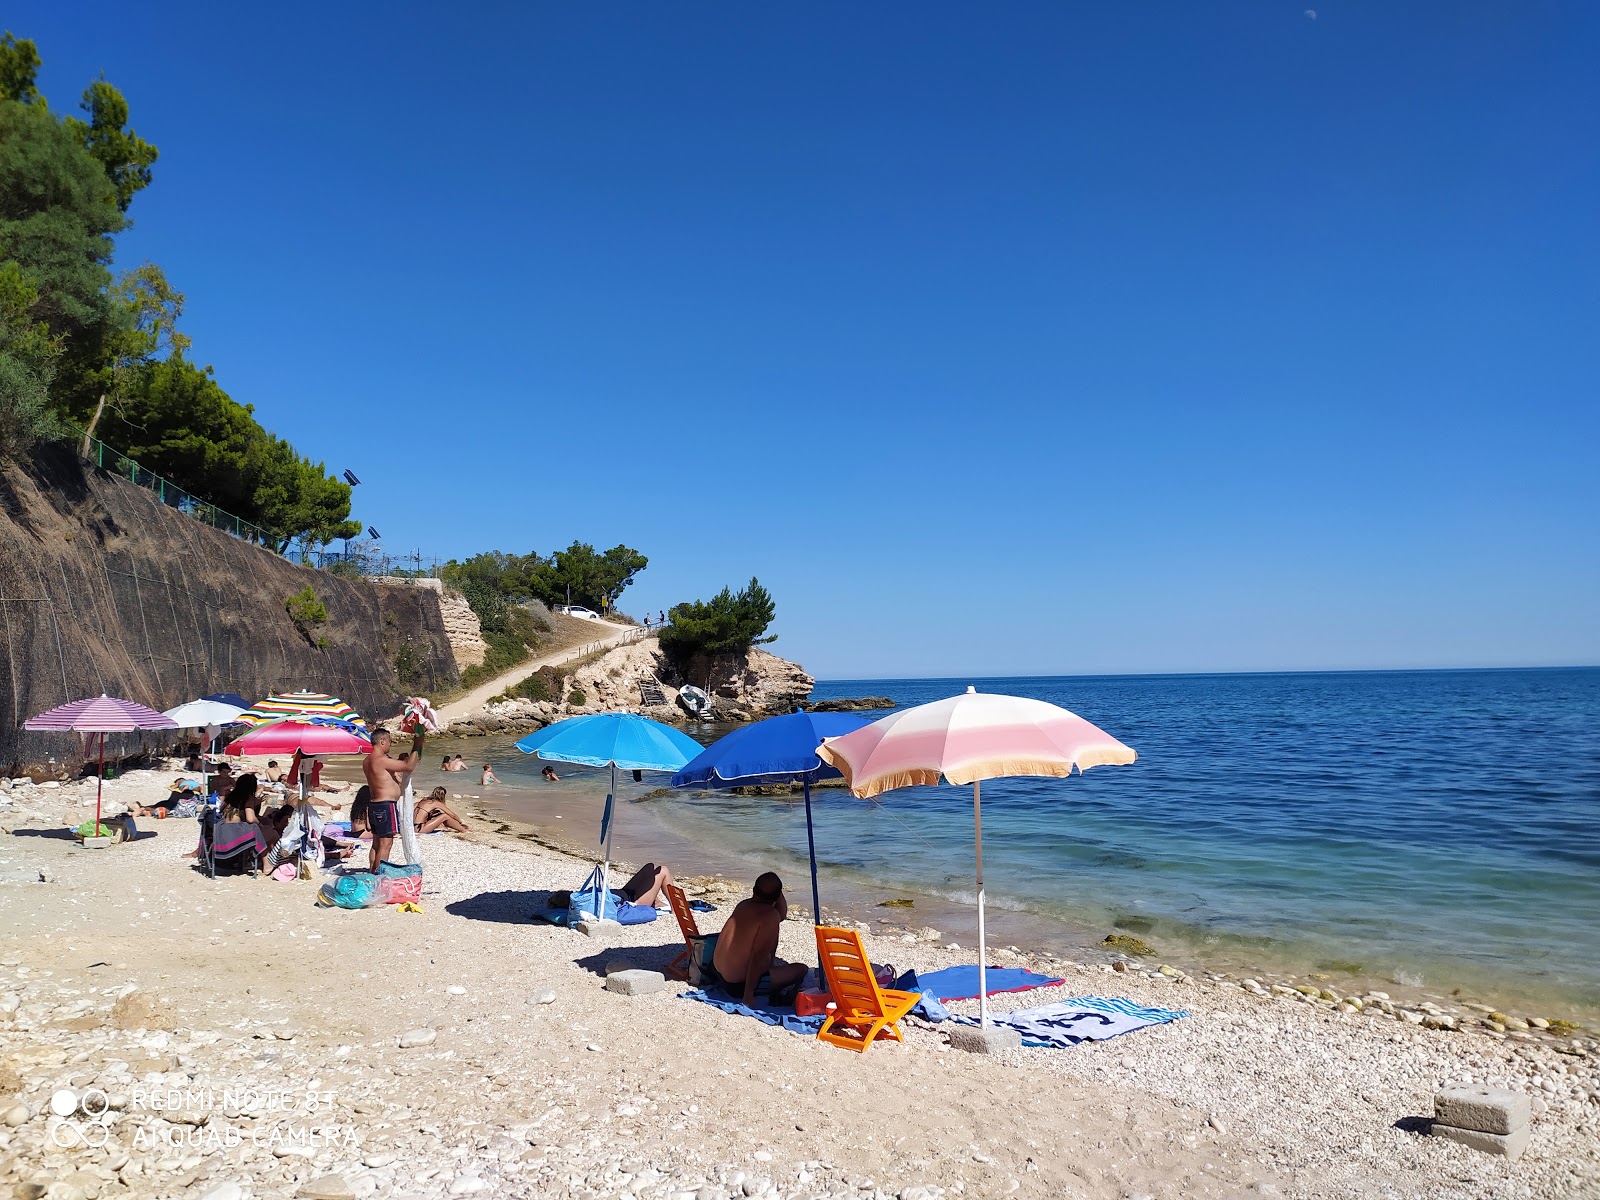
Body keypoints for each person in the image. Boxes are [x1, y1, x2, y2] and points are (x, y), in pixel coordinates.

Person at [711, 872, 807, 1007]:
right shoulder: (769, 916)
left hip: (717, 974)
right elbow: (758, 956)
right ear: (778, 896)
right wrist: (748, 995)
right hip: (736, 986)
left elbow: (781, 915)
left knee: (770, 938)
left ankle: (771, 971)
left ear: (754, 890)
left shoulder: (743, 905)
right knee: (801, 970)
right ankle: (766, 990)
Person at [363, 726, 424, 873]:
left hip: (374, 805)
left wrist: (407, 758)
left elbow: (390, 774)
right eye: (390, 741)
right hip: (385, 805)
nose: (391, 744)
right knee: (386, 844)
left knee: (376, 844)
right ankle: (378, 878)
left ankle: (372, 873)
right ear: (382, 741)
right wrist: (417, 742)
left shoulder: (367, 760)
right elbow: (408, 766)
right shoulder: (381, 760)